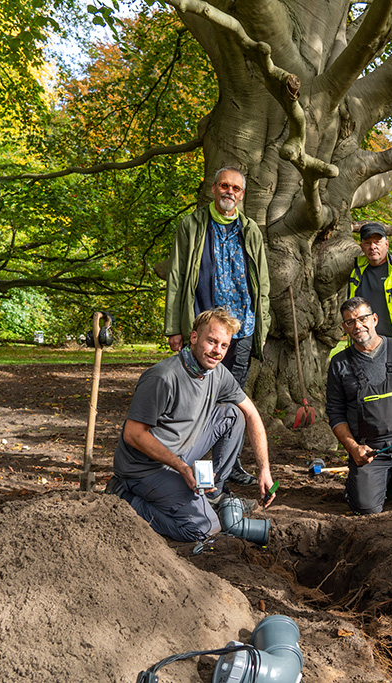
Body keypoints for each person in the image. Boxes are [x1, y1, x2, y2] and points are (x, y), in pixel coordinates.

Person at [108, 308, 276, 542]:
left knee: (233, 414)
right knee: (204, 528)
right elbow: (133, 435)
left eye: (224, 346)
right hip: (144, 469)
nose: (217, 351)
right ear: (194, 337)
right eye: (212, 341)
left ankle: (212, 493)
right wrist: (183, 468)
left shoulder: (218, 374)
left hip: (181, 453)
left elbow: (252, 414)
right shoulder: (162, 377)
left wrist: (264, 469)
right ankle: (128, 501)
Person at [164, 166, 270, 486]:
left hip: (243, 327)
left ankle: (229, 464)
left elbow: (262, 284)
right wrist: (174, 326)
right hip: (205, 329)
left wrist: (261, 328)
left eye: (236, 189)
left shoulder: (250, 230)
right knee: (197, 395)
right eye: (224, 185)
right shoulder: (193, 224)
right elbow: (177, 276)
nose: (230, 192)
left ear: (242, 194)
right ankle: (183, 461)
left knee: (233, 398)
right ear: (213, 189)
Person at [325, 297, 392, 514]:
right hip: (370, 451)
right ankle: (377, 482)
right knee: (366, 507)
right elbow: (335, 413)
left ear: (374, 319)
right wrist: (354, 449)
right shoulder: (340, 363)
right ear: (344, 327)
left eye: (362, 319)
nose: (357, 326)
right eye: (350, 322)